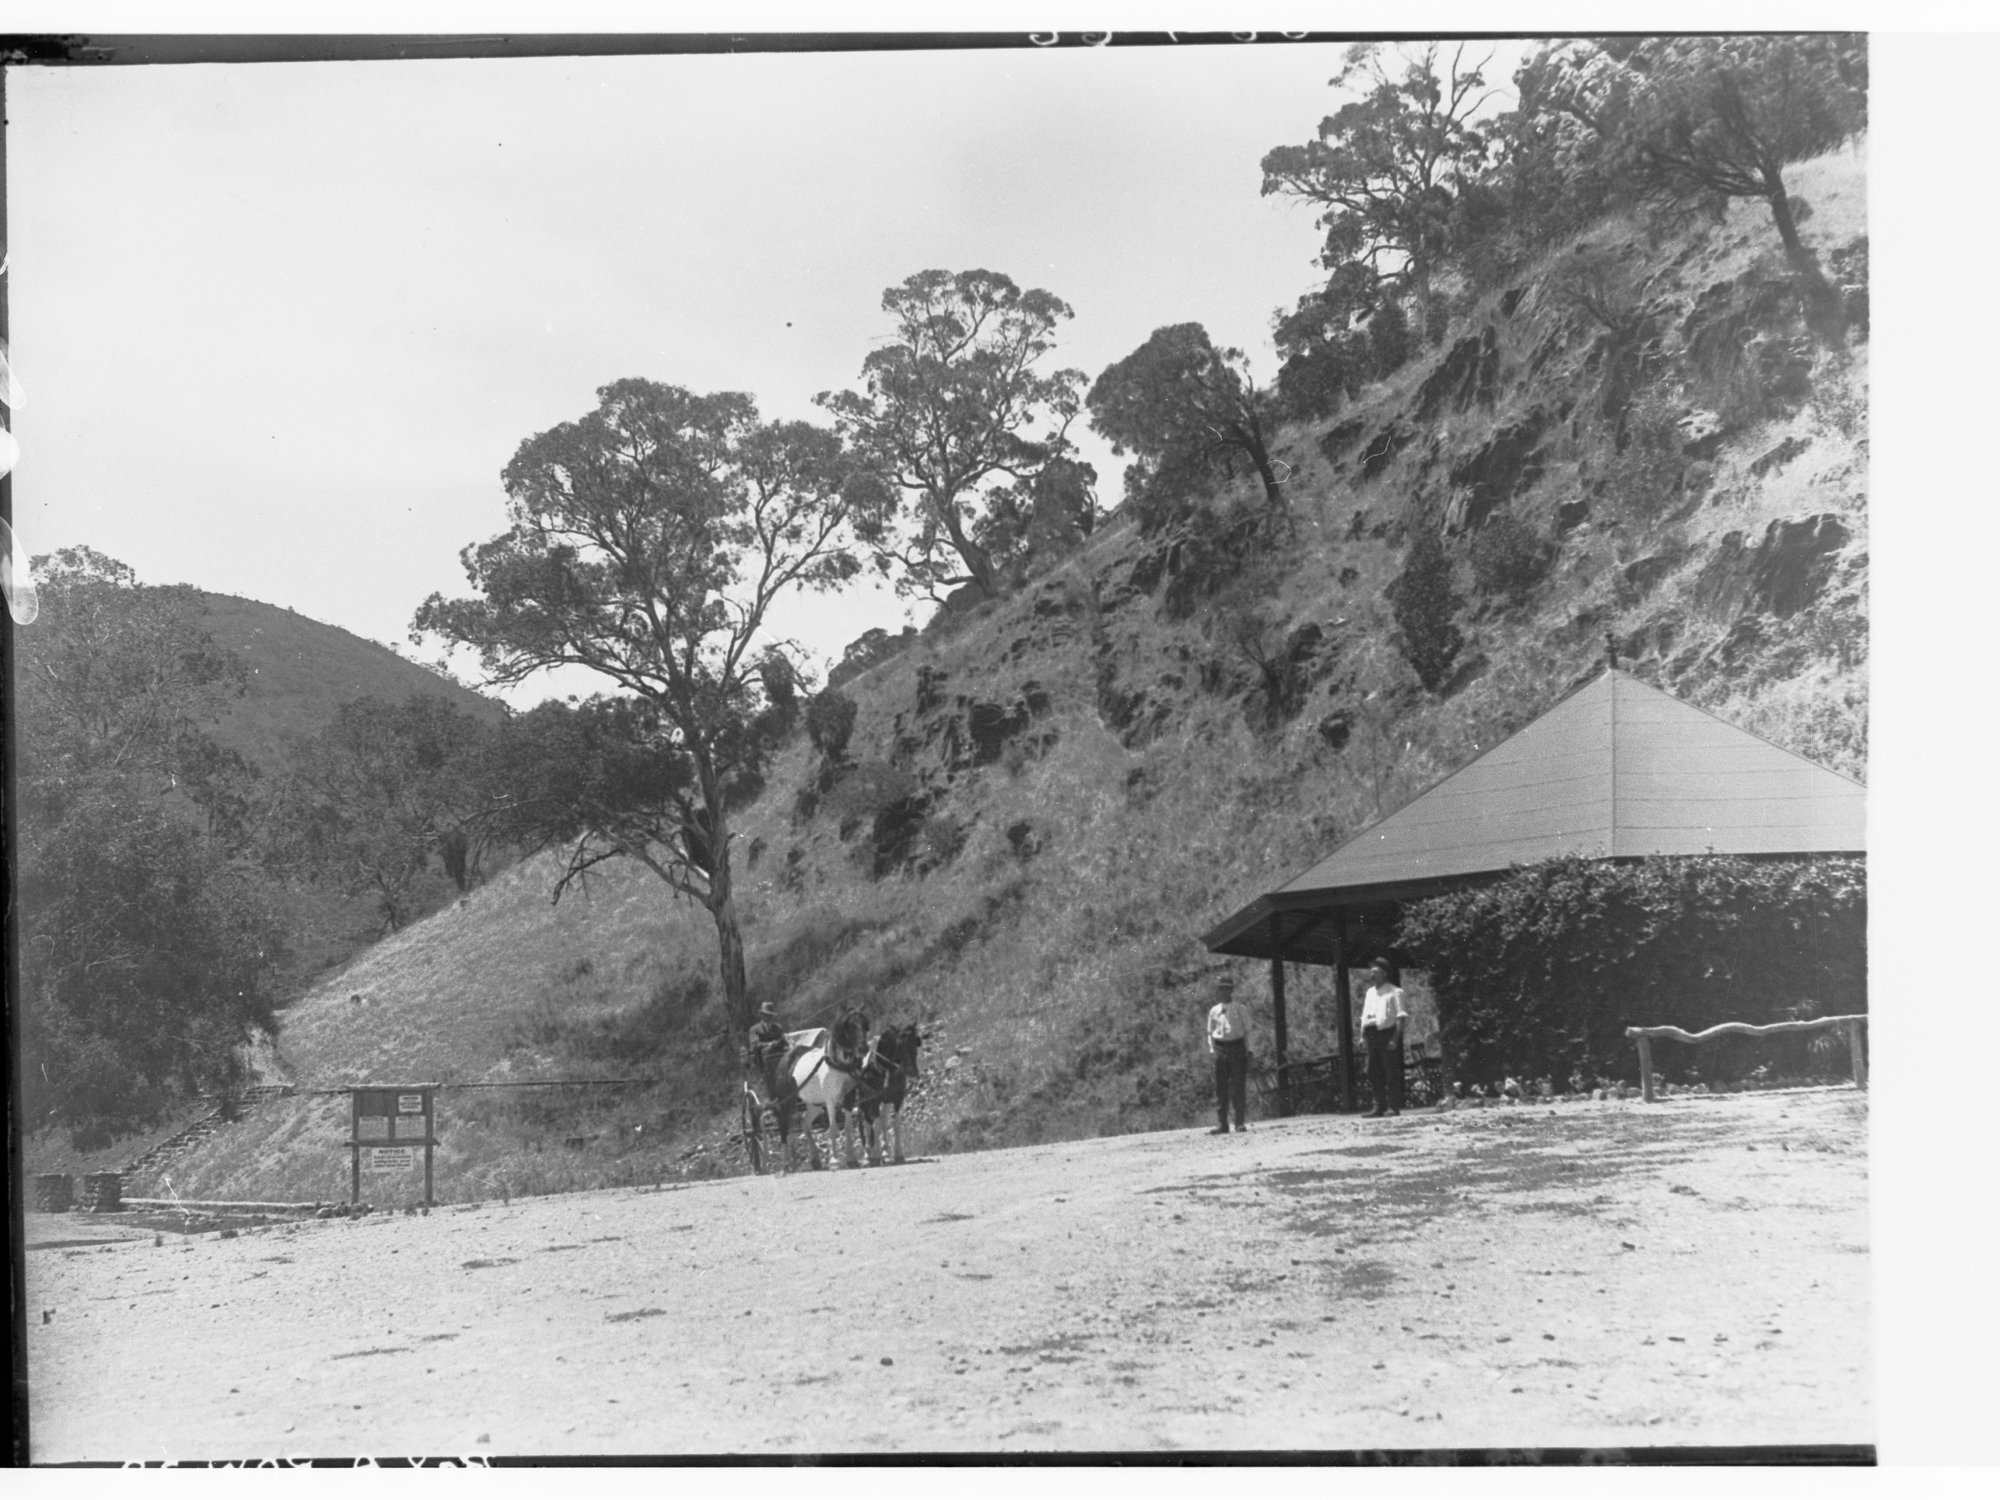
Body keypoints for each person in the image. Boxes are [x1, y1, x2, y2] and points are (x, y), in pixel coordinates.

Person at [1359, 957, 1406, 1118]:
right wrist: (1362, 1036)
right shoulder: (1370, 993)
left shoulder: (1395, 992)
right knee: (1373, 1071)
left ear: (1384, 974)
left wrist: (1395, 1038)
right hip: (1371, 1035)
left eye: (1376, 972)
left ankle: (1393, 1107)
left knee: (1390, 1071)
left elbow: (1400, 1017)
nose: (1372, 975)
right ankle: (1378, 1106)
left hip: (1387, 1033)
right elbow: (1365, 1015)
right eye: (1371, 972)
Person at [1206, 974, 1251, 1134]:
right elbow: (1210, 1032)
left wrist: (1249, 1050)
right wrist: (1213, 1051)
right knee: (1220, 1088)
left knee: (1238, 1086)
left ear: (1231, 990)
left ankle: (1239, 1122)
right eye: (1221, 989)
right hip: (1220, 1049)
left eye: (1227, 989)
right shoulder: (1214, 1011)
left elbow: (1247, 1031)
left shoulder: (1240, 1009)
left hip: (1237, 1047)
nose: (1224, 992)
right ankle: (1222, 1124)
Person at [747, 1002, 793, 1104]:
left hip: (780, 1056)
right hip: (763, 1061)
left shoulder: (778, 1028)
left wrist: (787, 1043)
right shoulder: (755, 1029)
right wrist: (769, 1044)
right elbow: (754, 1045)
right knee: (768, 1053)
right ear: (761, 1015)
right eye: (766, 1015)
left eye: (770, 1015)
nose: (768, 1017)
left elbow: (784, 1040)